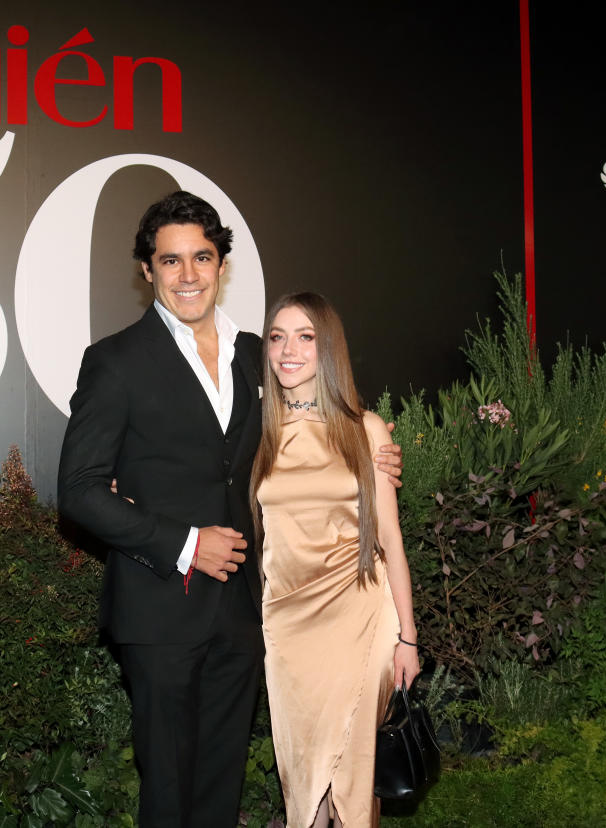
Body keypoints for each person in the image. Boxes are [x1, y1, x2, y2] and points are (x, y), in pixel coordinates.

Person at [58, 192, 402, 827]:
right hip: (158, 607)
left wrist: (372, 451)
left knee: (222, 788)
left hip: (245, 610)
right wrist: (186, 543)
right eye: (170, 262)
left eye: (202, 258)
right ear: (147, 271)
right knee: (166, 789)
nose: (187, 275)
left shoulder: (255, 356)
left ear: (221, 265)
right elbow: (77, 489)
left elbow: (316, 423)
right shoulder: (115, 362)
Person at [250, 292, 420, 828]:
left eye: (305, 337)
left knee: (350, 771)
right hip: (287, 629)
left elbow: (390, 537)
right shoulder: (261, 434)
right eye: (277, 337)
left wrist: (409, 638)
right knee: (302, 777)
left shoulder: (363, 428)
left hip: (361, 619)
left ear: (329, 350)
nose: (288, 349)